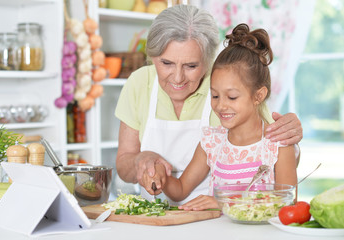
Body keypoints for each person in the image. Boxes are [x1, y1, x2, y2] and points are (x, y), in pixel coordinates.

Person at [115, 4, 302, 205]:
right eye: (166, 63)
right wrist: (150, 167)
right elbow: (175, 187)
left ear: (207, 61)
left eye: (191, 66)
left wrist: (291, 138)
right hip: (158, 216)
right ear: (152, 57)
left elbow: (279, 169)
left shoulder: (229, 79)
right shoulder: (140, 83)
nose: (177, 78)